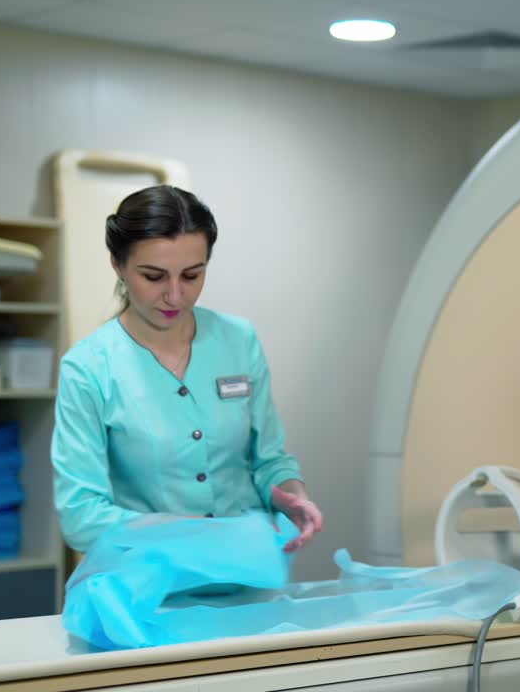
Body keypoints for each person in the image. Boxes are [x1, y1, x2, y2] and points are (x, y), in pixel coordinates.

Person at [50, 184, 323, 554]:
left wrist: (293, 496)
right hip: (149, 575)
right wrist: (191, 533)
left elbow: (269, 460)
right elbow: (81, 517)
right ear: (118, 264)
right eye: (154, 277)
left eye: (192, 275)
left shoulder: (238, 340)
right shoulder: (88, 368)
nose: (175, 296)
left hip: (245, 566)